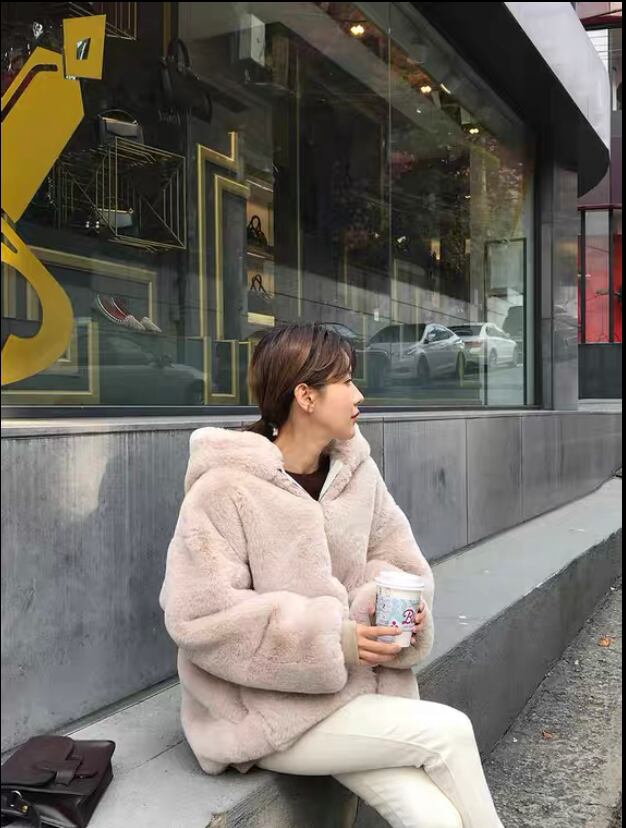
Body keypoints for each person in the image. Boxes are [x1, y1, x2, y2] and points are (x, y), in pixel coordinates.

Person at [159, 323, 504, 828]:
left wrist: (389, 612)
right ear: (306, 396)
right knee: (448, 732)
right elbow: (199, 616)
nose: (359, 394)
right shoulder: (226, 488)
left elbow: (399, 561)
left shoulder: (356, 473)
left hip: (355, 699)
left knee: (434, 817)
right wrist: (332, 641)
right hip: (262, 714)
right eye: (345, 381)